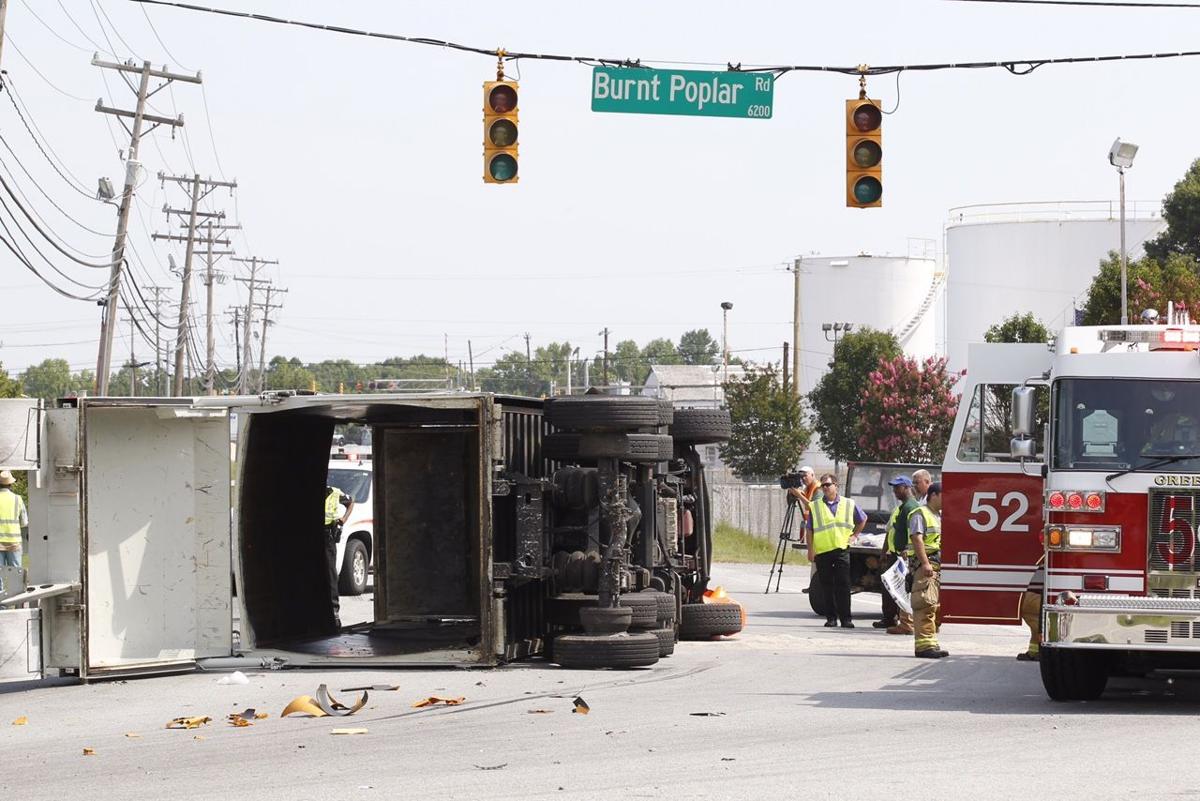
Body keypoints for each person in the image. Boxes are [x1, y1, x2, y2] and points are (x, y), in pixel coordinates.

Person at [806, 473, 867, 628]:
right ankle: (831, 618)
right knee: (826, 586)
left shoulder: (848, 503)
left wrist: (855, 535)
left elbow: (862, 519)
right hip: (823, 551)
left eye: (828, 485)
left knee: (843, 585)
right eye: (823, 485)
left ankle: (846, 619)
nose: (825, 488)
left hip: (841, 550)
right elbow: (809, 530)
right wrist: (810, 550)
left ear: (836, 486)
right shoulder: (815, 506)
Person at [908, 482, 947, 659]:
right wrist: (925, 563)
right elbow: (917, 539)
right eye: (944, 495)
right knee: (924, 604)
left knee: (933, 606)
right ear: (933, 495)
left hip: (936, 566)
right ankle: (924, 646)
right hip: (926, 566)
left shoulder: (938, 516)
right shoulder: (920, 513)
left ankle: (931, 643)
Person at [876, 476, 918, 634]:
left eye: (897, 487)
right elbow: (892, 531)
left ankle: (907, 623)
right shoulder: (902, 507)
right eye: (893, 488)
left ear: (907, 487)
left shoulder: (911, 507)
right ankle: (897, 620)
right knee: (895, 588)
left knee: (904, 589)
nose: (894, 491)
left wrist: (908, 549)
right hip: (896, 554)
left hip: (905, 556)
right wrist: (884, 552)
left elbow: (914, 532)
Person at [324, 484, 355, 627]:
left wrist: (343, 519)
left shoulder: (335, 492)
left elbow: (351, 501)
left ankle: (334, 612)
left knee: (330, 575)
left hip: (327, 536)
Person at [0, 471, 27, 592]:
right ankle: (17, 599)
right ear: (10, 484)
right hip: (14, 541)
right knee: (16, 573)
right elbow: (24, 522)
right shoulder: (17, 499)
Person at [1017, 562, 1045, 662]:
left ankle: (1036, 652)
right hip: (1035, 595)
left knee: (1038, 626)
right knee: (1036, 625)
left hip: (1030, 597)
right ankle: (1034, 652)